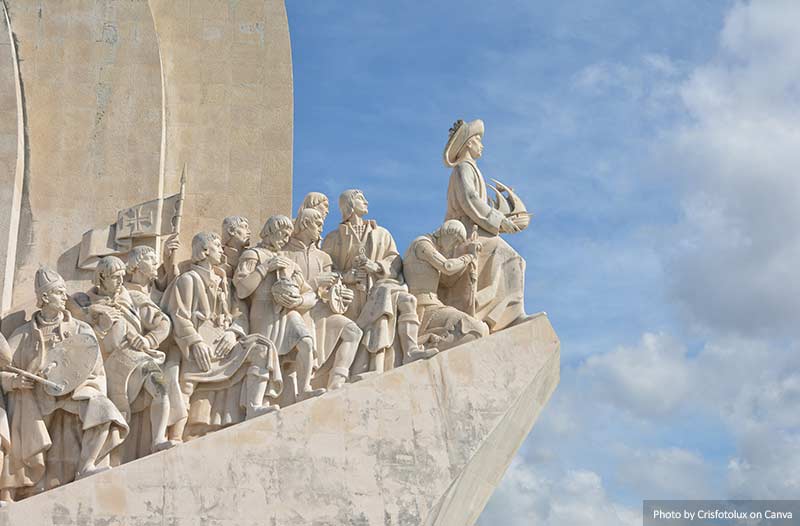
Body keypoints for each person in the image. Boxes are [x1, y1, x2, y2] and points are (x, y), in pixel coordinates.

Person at [0, 268, 128, 497]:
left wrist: (86, 386)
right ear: (45, 297)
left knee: (104, 409)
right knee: (21, 413)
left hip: (72, 392)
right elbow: (3, 368)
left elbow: (96, 368)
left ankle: (88, 465)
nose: (65, 298)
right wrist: (15, 381)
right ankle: (16, 488)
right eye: (59, 293)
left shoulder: (80, 329)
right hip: (37, 397)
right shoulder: (24, 333)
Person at [161, 233, 282, 441]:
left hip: (224, 343)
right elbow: (179, 315)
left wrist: (234, 332)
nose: (221, 250)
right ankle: (175, 436)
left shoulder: (224, 281)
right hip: (199, 344)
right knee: (187, 380)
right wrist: (195, 341)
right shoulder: (188, 279)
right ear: (205, 251)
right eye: (217, 246)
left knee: (262, 348)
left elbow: (240, 313)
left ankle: (253, 406)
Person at [69, 256, 175, 464]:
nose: (120, 281)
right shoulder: (85, 303)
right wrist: (100, 323)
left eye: (121, 277)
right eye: (115, 277)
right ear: (101, 277)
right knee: (110, 416)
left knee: (160, 386)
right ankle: (96, 460)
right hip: (105, 368)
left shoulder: (132, 297)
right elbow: (80, 339)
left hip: (136, 357)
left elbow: (163, 323)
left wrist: (147, 340)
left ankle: (159, 438)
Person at [322, 189, 437, 375]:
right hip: (352, 299)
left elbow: (394, 259)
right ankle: (374, 366)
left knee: (405, 300)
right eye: (360, 198)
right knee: (383, 301)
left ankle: (410, 350)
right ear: (349, 205)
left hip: (381, 286)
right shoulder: (333, 238)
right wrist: (346, 277)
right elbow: (326, 270)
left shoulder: (381, 233)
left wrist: (376, 266)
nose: (366, 201)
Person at [442, 119, 531, 332]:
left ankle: (504, 313)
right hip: (467, 235)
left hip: (478, 230)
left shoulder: (471, 169)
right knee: (511, 258)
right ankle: (507, 315)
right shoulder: (464, 167)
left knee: (514, 260)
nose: (481, 145)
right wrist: (500, 222)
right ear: (468, 144)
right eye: (478, 140)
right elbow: (470, 201)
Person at [234, 216, 326, 402]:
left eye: (288, 236)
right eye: (283, 234)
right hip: (264, 313)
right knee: (265, 355)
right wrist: (265, 268)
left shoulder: (289, 262)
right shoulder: (253, 255)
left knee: (306, 342)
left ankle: (305, 388)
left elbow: (310, 294)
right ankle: (257, 403)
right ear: (270, 232)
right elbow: (243, 289)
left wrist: (298, 301)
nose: (285, 239)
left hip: (288, 311)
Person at [284, 207, 361, 390]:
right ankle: (304, 388)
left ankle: (337, 381)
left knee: (353, 331)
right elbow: (285, 290)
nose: (321, 229)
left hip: (319, 313)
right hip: (296, 312)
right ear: (304, 224)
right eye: (317, 224)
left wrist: (341, 296)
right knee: (305, 344)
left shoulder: (323, 257)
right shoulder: (285, 253)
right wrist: (316, 281)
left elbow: (327, 293)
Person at [404, 220, 489, 352]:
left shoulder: (431, 248)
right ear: (448, 232)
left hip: (434, 305)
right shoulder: (422, 244)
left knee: (480, 330)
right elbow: (447, 267)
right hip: (424, 308)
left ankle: (429, 342)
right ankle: (424, 344)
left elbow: (447, 282)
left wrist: (471, 260)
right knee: (475, 330)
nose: (454, 246)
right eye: (455, 241)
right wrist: (469, 256)